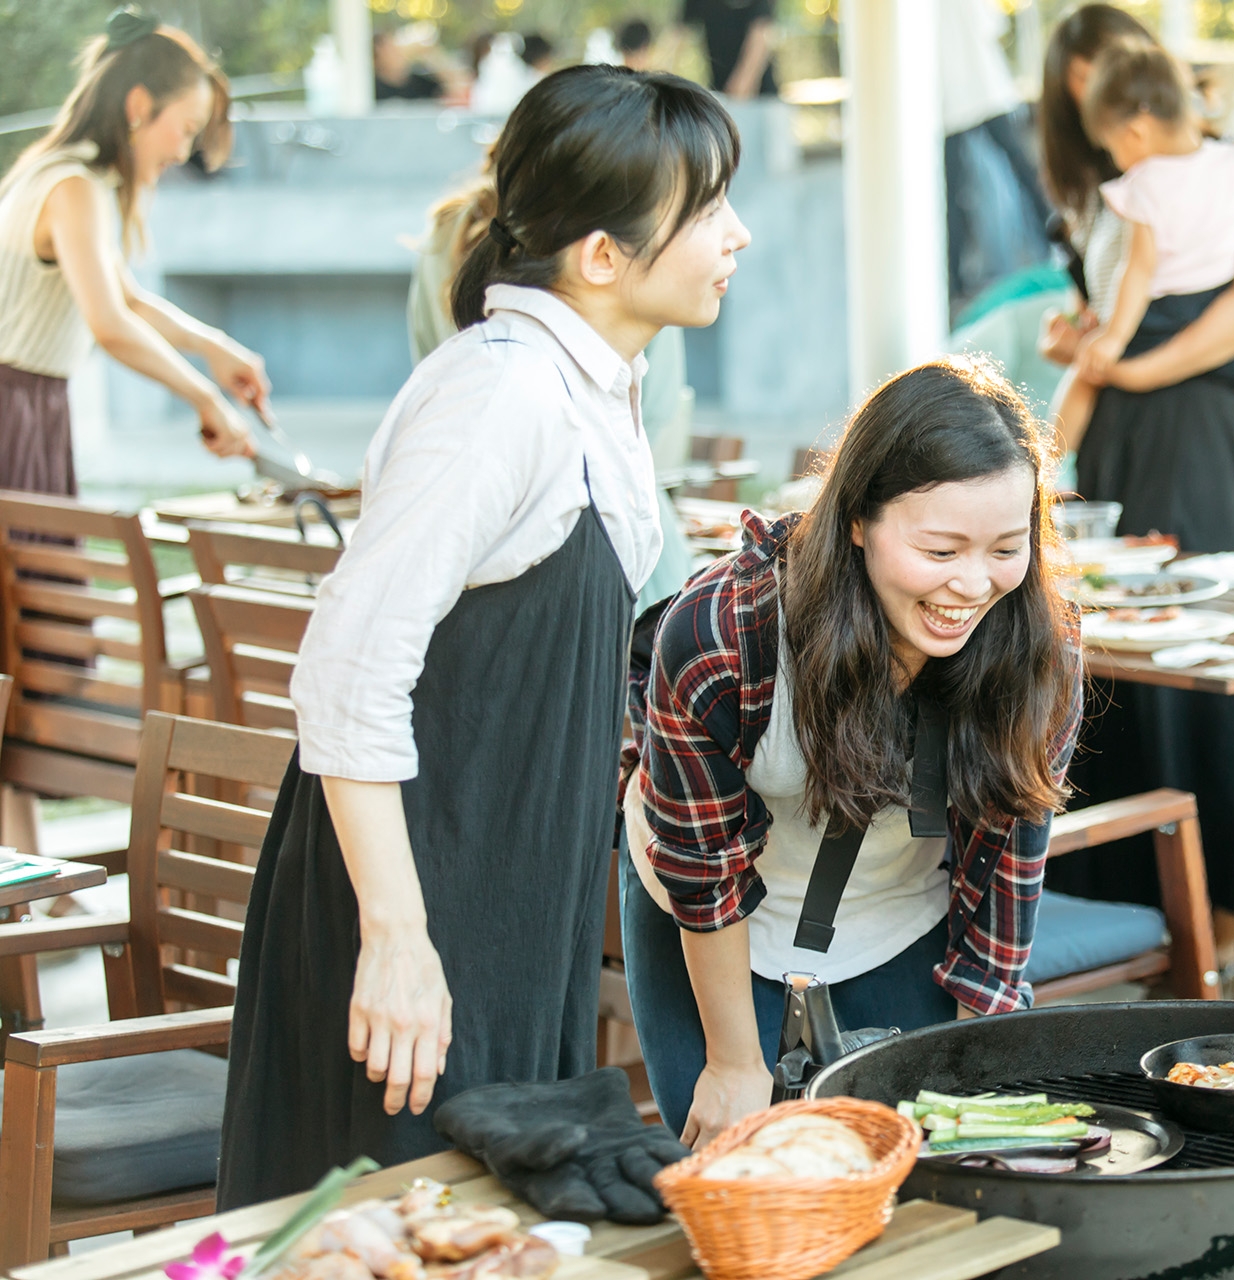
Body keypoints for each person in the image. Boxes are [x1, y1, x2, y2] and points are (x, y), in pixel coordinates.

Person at [218, 65, 749, 1207]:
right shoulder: (499, 395)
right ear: (601, 256)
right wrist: (399, 941)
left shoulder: (592, 384)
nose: (736, 234)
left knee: (499, 1217)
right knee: (391, 1219)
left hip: (509, 871)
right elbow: (347, 670)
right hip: (422, 887)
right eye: (708, 210)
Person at [620, 357, 1084, 1145]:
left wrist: (979, 1078)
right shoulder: (722, 632)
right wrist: (736, 1065)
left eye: (1006, 548)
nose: (973, 585)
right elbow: (703, 867)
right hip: (710, 917)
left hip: (901, 918)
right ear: (860, 518)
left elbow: (1008, 864)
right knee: (745, 1170)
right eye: (941, 551)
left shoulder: (1041, 654)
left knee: (931, 1163)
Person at [1033, 4, 1234, 947]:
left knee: (1192, 627)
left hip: (1188, 412)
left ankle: (1215, 888)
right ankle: (1132, 884)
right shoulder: (1111, 189)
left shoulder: (1231, 164)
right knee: (1111, 621)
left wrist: (1120, 366)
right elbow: (1102, 309)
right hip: (1130, 413)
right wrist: (1081, 341)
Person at [405, 156, 697, 610]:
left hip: (476, 554)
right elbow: (652, 422)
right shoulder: (625, 247)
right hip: (616, 561)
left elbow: (428, 369)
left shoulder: (445, 241)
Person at [0, 6, 256, 496]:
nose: (183, 152)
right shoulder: (73, 187)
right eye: (185, 129)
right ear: (139, 106)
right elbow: (110, 324)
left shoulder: (70, 176)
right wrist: (206, 399)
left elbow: (129, 300)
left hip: (33, 407)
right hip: (16, 409)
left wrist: (216, 347)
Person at [1053, 42, 1234, 455]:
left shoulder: (1145, 185)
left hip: (1162, 314)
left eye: (1113, 146)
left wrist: (1111, 338)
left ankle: (1049, 462)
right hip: (1219, 311)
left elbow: (1139, 270)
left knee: (1083, 376)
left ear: (1136, 132)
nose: (1117, 158)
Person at [939, 0, 1051, 317]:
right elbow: (993, 25)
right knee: (1020, 167)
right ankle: (1054, 237)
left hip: (953, 100)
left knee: (952, 191)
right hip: (982, 89)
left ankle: (953, 280)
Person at [683, 0, 776, 99]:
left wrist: (741, 85)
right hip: (719, 93)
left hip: (759, 98)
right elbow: (678, 33)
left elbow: (760, 35)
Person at [373, 28, 444, 101]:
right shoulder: (370, 89)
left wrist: (432, 55)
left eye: (394, 47)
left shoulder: (420, 83)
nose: (397, 52)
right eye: (389, 49)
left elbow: (452, 90)